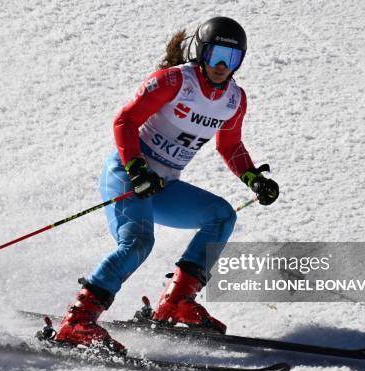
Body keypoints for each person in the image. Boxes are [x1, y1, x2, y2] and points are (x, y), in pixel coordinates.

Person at [53, 16, 279, 353]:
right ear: (201, 52)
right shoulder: (175, 81)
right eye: (216, 54)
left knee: (221, 216)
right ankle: (78, 321)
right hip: (128, 176)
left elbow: (229, 146)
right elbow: (125, 120)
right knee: (138, 243)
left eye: (231, 60)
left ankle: (176, 302)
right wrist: (137, 168)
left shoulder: (234, 99)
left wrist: (254, 179)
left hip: (163, 186)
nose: (221, 66)